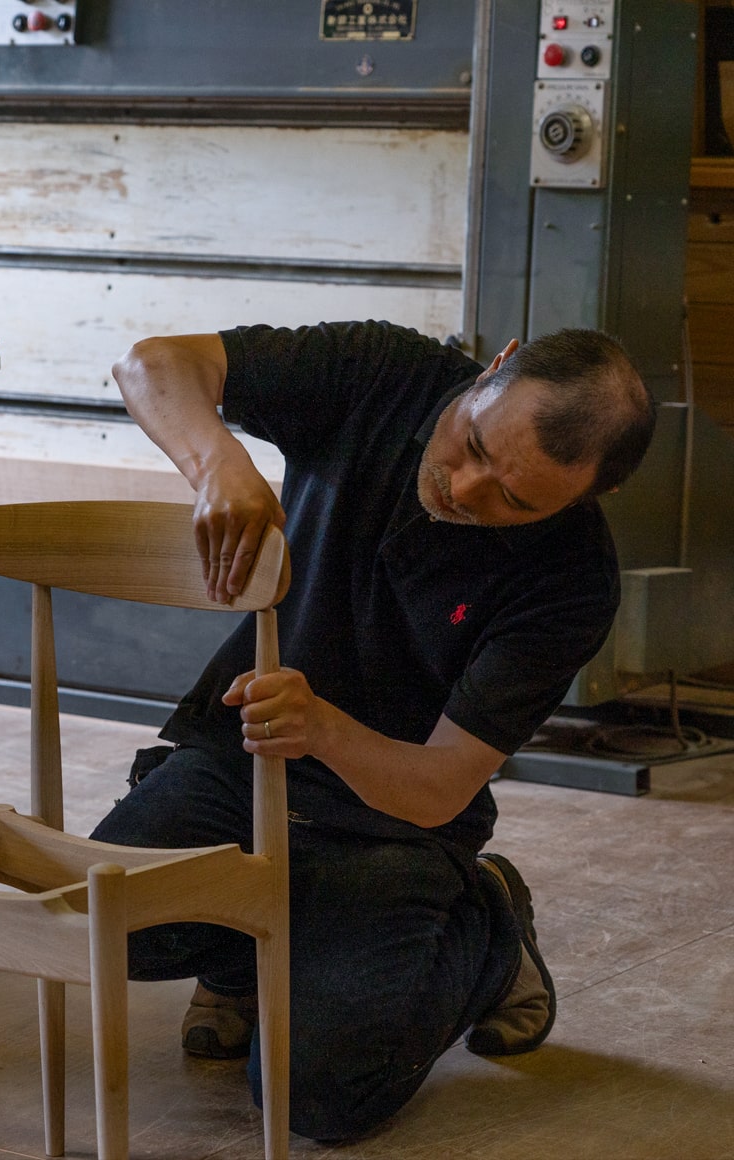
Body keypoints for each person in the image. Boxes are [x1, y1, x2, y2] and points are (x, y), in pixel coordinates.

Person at [90, 319, 655, 1141]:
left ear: (589, 495)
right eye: (472, 443)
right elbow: (153, 363)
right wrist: (216, 461)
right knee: (104, 926)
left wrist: (322, 728)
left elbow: (440, 785)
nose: (466, 487)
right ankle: (253, 955)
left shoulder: (572, 581)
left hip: (394, 828)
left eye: (516, 500)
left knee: (319, 1096)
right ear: (493, 369)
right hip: (244, 761)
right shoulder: (382, 372)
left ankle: (489, 932)